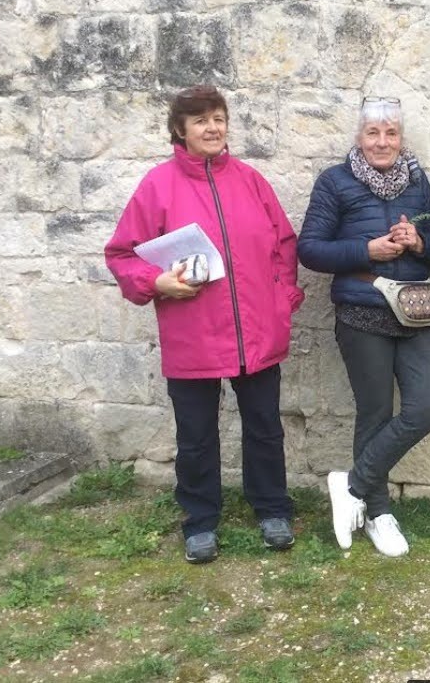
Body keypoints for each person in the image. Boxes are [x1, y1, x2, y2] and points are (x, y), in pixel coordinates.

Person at [104, 84, 303, 564]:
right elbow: (122, 254)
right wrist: (156, 282)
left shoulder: (251, 180)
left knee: (265, 428)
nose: (212, 128)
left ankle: (272, 509)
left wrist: (281, 303)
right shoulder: (158, 186)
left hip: (257, 332)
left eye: (218, 118)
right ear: (180, 130)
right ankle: (200, 520)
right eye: (200, 121)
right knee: (195, 436)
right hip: (192, 332)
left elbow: (283, 245)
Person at [298, 96, 430, 557]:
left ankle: (352, 485)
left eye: (391, 133)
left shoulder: (417, 182)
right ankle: (378, 514)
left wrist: (418, 241)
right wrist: (366, 250)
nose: (382, 142)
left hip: (414, 311)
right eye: (373, 133)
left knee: (426, 407)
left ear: (400, 138)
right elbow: (310, 249)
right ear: (359, 137)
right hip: (362, 312)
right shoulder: (335, 181)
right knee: (376, 413)